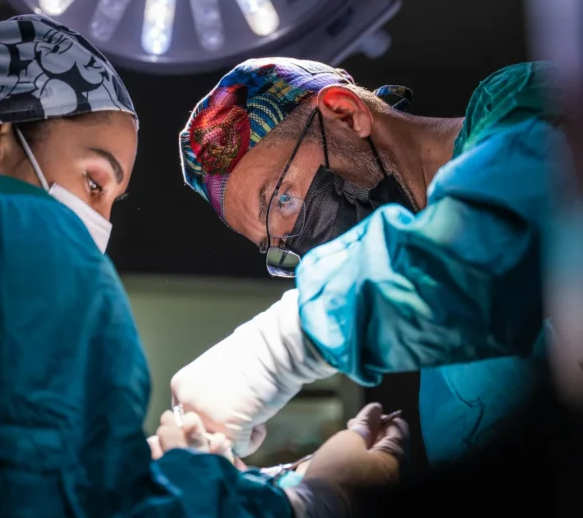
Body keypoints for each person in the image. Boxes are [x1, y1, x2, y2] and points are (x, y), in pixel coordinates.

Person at [0, 16, 407, 518]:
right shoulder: (9, 230)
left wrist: (149, 479)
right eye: (94, 181)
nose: (98, 227)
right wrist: (319, 501)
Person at [174, 57, 561, 464]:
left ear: (344, 114)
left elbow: (500, 241)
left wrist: (281, 344)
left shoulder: (523, 106)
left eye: (283, 199)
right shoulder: (438, 349)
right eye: (279, 248)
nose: (301, 248)